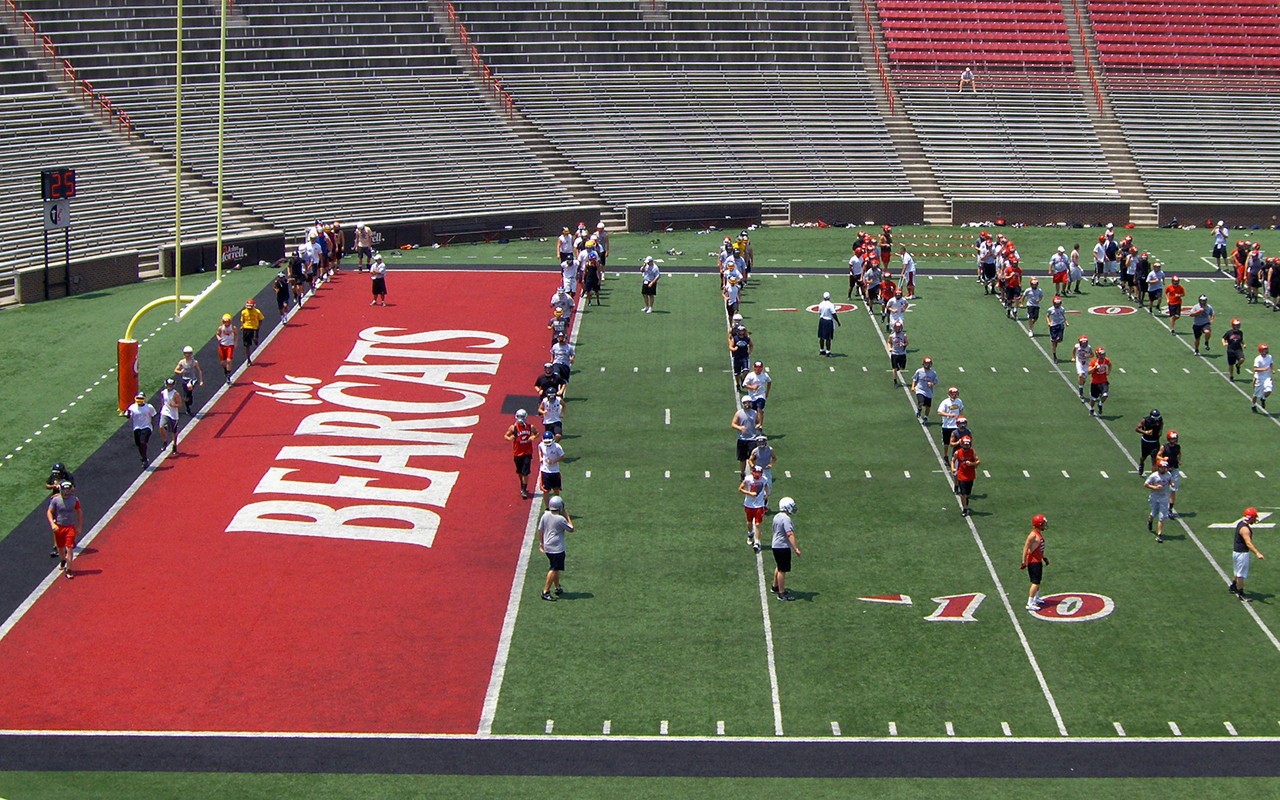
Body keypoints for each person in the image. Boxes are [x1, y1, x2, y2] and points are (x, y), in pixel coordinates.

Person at [537, 495, 574, 601]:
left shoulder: (545, 515)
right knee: (554, 568)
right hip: (557, 548)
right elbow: (571, 529)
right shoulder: (560, 519)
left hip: (548, 546)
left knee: (556, 567)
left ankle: (557, 587)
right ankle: (545, 591)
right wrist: (567, 516)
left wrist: (541, 543)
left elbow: (540, 530)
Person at [47, 480, 82, 579]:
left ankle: (69, 569)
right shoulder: (55, 500)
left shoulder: (74, 500)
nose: (66, 492)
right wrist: (52, 524)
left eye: (68, 490)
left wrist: (79, 527)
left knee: (69, 547)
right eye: (64, 490)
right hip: (59, 527)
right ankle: (63, 560)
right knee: (60, 547)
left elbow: (79, 512)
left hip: (70, 527)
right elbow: (49, 512)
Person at [1230, 507, 1264, 602]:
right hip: (1242, 553)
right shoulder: (1245, 529)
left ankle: (1233, 585)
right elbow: (1248, 543)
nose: (1255, 519)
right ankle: (1241, 593)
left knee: (1237, 570)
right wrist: (1257, 553)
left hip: (1236, 552)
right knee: (1241, 574)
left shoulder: (1240, 524)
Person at [770, 497, 801, 601]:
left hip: (775, 545)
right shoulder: (786, 519)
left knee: (779, 566)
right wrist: (796, 548)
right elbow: (790, 534)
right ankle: (781, 593)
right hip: (782, 547)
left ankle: (775, 586)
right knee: (782, 570)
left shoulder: (777, 516)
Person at [505, 409, 537, 500]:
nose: (521, 419)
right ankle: (522, 485)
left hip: (527, 452)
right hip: (517, 452)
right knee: (519, 472)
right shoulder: (513, 427)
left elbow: (537, 433)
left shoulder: (530, 427)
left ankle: (524, 489)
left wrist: (533, 437)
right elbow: (506, 436)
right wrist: (510, 438)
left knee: (525, 472)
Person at [1021, 514, 1049, 611]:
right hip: (1033, 562)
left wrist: (1044, 558)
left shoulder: (1038, 533)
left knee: (1038, 581)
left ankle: (1036, 598)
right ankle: (1030, 603)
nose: (1045, 525)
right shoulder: (1033, 535)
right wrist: (1024, 561)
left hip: (1038, 560)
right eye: (1043, 524)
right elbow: (1026, 548)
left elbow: (1038, 549)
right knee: (1035, 582)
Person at [740, 464, 769, 552]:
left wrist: (767, 494)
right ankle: (750, 534)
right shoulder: (748, 479)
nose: (757, 475)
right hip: (749, 504)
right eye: (756, 472)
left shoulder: (764, 479)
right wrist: (749, 493)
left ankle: (756, 542)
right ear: (753, 472)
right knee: (749, 522)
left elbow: (766, 486)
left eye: (759, 473)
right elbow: (740, 489)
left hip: (759, 505)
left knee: (757, 524)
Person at [1145, 458, 1174, 544]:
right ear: (1159, 467)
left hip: (1164, 498)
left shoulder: (1168, 474)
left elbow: (1170, 479)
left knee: (1161, 517)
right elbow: (1146, 484)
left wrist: (1172, 483)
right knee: (1154, 513)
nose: (1164, 469)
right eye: (1162, 467)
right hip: (1154, 497)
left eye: (1165, 467)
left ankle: (1159, 535)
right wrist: (1154, 487)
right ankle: (1150, 520)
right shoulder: (1154, 476)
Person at [126, 391, 157, 467]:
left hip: (146, 427)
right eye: (138, 398)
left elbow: (153, 416)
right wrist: (127, 414)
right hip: (137, 428)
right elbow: (129, 416)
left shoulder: (149, 407)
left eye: (141, 398)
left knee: (143, 442)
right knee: (139, 444)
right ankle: (144, 458)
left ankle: (145, 459)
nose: (139, 400)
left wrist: (152, 426)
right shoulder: (132, 407)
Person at [951, 435, 980, 516]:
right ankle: (964, 509)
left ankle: (965, 504)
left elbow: (978, 461)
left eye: (967, 445)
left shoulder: (972, 452)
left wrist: (971, 463)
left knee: (967, 494)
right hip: (961, 475)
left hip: (970, 475)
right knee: (963, 494)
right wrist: (953, 468)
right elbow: (953, 460)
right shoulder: (958, 452)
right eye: (964, 445)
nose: (966, 446)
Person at [732, 395, 759, 478]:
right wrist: (740, 427)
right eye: (745, 403)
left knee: (753, 457)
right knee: (742, 458)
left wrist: (758, 426)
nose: (747, 404)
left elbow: (758, 422)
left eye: (749, 403)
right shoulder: (739, 413)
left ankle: (753, 473)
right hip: (742, 439)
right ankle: (742, 473)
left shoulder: (754, 413)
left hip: (752, 439)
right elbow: (733, 424)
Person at [1157, 430, 1182, 516]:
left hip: (1174, 468)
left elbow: (1179, 454)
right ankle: (1160, 504)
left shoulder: (1178, 447)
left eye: (1175, 438)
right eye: (1172, 438)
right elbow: (1158, 456)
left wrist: (1179, 460)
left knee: (1173, 489)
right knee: (1162, 488)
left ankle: (1170, 508)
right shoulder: (1164, 447)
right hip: (1165, 470)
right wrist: (1163, 459)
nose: (1174, 440)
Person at [742, 361, 772, 430]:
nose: (758, 370)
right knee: (753, 412)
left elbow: (769, 381)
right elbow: (744, 385)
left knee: (760, 408)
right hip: (752, 396)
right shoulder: (750, 375)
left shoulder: (764, 375)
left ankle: (760, 424)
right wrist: (752, 388)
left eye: (759, 368)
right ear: (754, 368)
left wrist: (767, 392)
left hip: (761, 395)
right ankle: (755, 424)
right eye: (756, 368)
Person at [173, 345, 203, 415]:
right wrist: (180, 372)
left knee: (189, 387)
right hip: (185, 379)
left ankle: (189, 400)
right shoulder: (182, 362)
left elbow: (199, 371)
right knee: (186, 397)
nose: (188, 355)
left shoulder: (194, 362)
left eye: (189, 353)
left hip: (192, 379)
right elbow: (175, 370)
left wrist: (201, 380)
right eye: (186, 353)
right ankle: (188, 406)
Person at [538, 430, 564, 508]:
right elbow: (539, 449)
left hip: (555, 471)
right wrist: (540, 457)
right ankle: (547, 508)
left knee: (556, 490)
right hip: (545, 471)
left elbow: (562, 456)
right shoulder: (541, 445)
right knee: (546, 491)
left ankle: (557, 506)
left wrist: (553, 461)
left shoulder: (557, 447)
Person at [748, 434, 775, 507]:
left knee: (768, 487)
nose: (761, 443)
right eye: (759, 442)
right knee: (757, 488)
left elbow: (774, 458)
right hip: (758, 472)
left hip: (766, 471)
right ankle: (759, 504)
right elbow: (750, 460)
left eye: (762, 442)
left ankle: (765, 503)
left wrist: (771, 464)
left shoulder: (770, 449)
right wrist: (753, 466)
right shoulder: (755, 451)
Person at [1135, 408, 1163, 474]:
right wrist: (1145, 432)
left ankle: (1154, 476)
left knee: (1154, 460)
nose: (1156, 419)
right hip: (1146, 441)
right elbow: (1137, 429)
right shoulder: (1145, 420)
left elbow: (1161, 424)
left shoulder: (1160, 419)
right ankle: (1141, 464)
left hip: (1155, 442)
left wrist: (1160, 431)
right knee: (1143, 457)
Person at [911, 356, 938, 424]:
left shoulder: (933, 373)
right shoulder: (919, 371)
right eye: (926, 363)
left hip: (928, 391)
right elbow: (914, 379)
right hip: (920, 389)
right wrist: (913, 387)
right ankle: (919, 408)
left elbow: (936, 381)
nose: (927, 365)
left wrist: (932, 383)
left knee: (928, 406)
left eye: (929, 363)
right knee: (921, 402)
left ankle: (926, 417)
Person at [159, 377, 182, 455]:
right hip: (165, 412)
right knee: (161, 426)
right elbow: (163, 401)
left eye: (171, 385)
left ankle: (174, 445)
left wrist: (174, 405)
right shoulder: (163, 392)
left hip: (173, 415)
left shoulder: (176, 394)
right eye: (168, 385)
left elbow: (180, 405)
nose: (170, 386)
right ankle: (165, 441)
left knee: (174, 432)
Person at [729, 316, 752, 388]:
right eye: (740, 330)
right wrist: (734, 349)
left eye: (743, 330)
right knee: (736, 373)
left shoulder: (746, 338)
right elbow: (730, 346)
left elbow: (751, 345)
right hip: (737, 357)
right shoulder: (735, 338)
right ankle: (738, 384)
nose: (742, 332)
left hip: (744, 356)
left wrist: (750, 351)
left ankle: (743, 379)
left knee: (746, 370)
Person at [1087, 346, 1111, 417]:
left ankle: (1100, 404)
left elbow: (1110, 365)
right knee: (1093, 398)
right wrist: (1094, 367)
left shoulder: (1106, 360)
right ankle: (1091, 408)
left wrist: (1108, 372)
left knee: (1105, 395)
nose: (1102, 356)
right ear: (1097, 354)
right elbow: (1088, 372)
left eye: (1103, 354)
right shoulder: (1093, 362)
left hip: (1103, 381)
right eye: (1101, 354)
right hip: (1095, 383)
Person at [239, 299, 264, 365]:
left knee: (255, 341)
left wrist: (259, 326)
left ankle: (254, 338)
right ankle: (249, 359)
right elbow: (242, 320)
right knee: (247, 345)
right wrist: (242, 326)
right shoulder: (244, 312)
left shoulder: (257, 312)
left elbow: (261, 319)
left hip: (254, 328)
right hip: (246, 328)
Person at [938, 386, 963, 450]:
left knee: (957, 442)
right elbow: (939, 413)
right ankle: (945, 455)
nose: (954, 395)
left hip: (956, 426)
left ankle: (956, 455)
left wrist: (960, 418)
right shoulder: (945, 402)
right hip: (947, 425)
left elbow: (961, 409)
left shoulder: (959, 401)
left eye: (956, 394)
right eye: (953, 394)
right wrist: (949, 415)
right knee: (946, 443)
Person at [816, 291, 840, 356]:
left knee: (821, 336)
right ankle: (828, 352)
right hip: (828, 321)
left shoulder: (821, 304)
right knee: (828, 338)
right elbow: (834, 314)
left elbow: (820, 313)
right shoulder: (830, 305)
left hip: (822, 320)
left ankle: (821, 350)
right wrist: (838, 322)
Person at [1251, 343, 1273, 413]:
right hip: (1259, 378)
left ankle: (1263, 398)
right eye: (1264, 349)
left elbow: (1271, 363)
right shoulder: (1258, 359)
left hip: (1267, 377)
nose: (1266, 350)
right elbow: (1255, 369)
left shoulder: (1269, 357)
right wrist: (1264, 369)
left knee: (1269, 390)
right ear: (1261, 351)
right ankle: (1253, 405)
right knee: (1256, 394)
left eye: (1266, 349)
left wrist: (1272, 369)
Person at [215, 313, 236, 382]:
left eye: (227, 321)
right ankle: (226, 371)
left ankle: (228, 375)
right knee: (222, 363)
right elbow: (217, 334)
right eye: (225, 322)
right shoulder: (221, 328)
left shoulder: (233, 327)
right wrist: (219, 338)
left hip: (230, 345)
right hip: (222, 345)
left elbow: (236, 335)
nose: (226, 323)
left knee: (229, 360)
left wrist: (235, 342)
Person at [887, 320, 908, 387]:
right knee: (894, 368)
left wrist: (904, 345)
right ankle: (895, 381)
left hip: (902, 353)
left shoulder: (904, 335)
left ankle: (899, 367)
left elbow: (907, 342)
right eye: (896, 328)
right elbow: (889, 342)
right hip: (895, 353)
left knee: (902, 367)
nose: (897, 329)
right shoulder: (892, 336)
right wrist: (890, 348)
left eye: (899, 328)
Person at [1071, 335, 1093, 399]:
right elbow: (1073, 351)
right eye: (1083, 342)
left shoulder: (1088, 347)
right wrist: (1073, 357)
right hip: (1079, 361)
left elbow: (1092, 354)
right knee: (1080, 375)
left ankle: (1081, 386)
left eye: (1085, 342)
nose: (1084, 344)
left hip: (1086, 363)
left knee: (1083, 379)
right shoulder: (1077, 346)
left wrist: (1088, 355)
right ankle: (1081, 390)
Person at [1046, 296, 1068, 360]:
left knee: (1059, 340)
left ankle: (1056, 340)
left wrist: (1066, 322)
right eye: (1056, 303)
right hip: (1053, 325)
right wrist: (1049, 322)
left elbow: (1063, 316)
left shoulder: (1062, 309)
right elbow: (1047, 316)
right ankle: (1054, 355)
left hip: (1060, 324)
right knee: (1054, 341)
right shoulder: (1050, 309)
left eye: (1058, 303)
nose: (1057, 305)